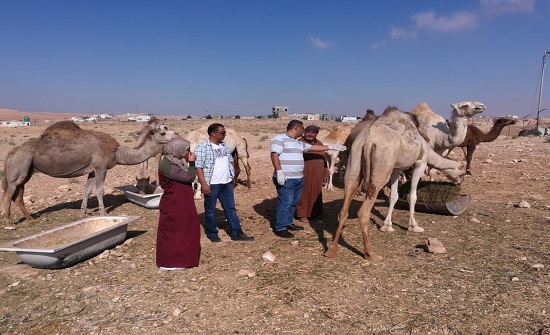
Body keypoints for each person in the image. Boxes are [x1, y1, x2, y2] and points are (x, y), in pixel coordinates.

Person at [270, 120, 346, 238]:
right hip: (286, 178)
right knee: (285, 202)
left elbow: (312, 147)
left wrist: (331, 146)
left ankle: (288, 223)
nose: (304, 131)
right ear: (297, 128)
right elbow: (274, 155)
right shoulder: (279, 139)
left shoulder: (297, 142)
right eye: (302, 128)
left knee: (293, 203)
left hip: (298, 178)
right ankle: (280, 227)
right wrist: (279, 171)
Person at [195, 123, 255, 243]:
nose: (225, 135)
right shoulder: (202, 147)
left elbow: (231, 162)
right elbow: (198, 167)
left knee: (230, 208)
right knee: (210, 210)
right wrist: (204, 185)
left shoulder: (224, 146)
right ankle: (212, 233)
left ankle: (237, 232)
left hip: (226, 183)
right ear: (213, 134)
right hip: (212, 184)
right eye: (222, 133)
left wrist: (232, 178)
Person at [156, 137, 200, 270]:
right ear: (178, 149)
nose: (188, 153)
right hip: (175, 203)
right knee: (176, 230)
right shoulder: (168, 166)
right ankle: (171, 262)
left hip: (181, 201)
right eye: (186, 150)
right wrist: (192, 163)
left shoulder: (175, 162)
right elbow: (189, 178)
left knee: (185, 228)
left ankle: (184, 258)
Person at [296, 125, 328, 223]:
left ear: (316, 134)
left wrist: (325, 174)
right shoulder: (299, 143)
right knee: (303, 194)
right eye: (308, 132)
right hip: (304, 173)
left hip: (318, 174)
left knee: (316, 193)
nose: (310, 134)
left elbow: (324, 160)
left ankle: (315, 213)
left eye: (313, 133)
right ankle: (302, 214)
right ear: (305, 132)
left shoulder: (319, 143)